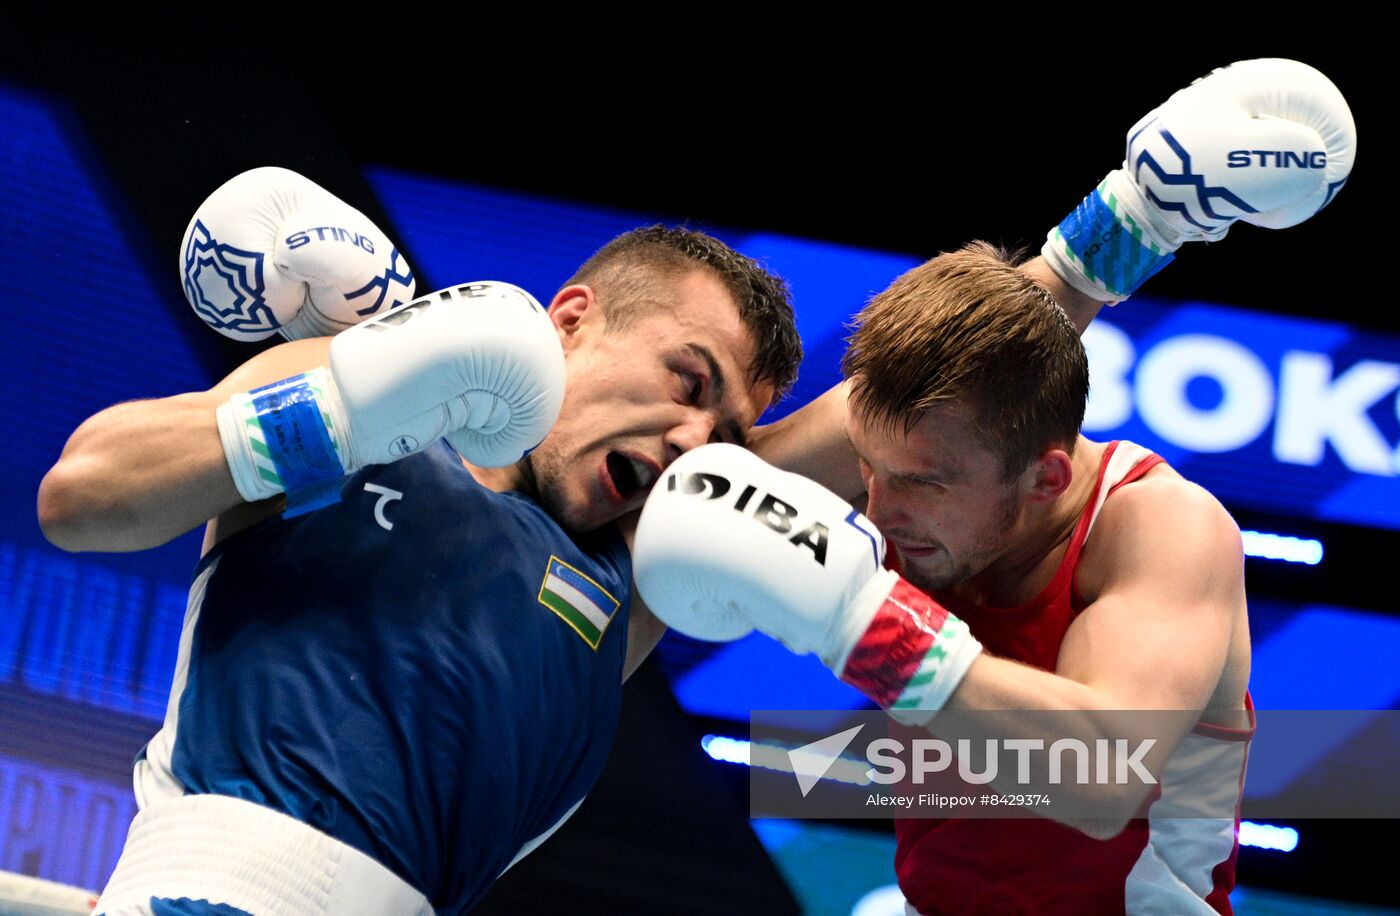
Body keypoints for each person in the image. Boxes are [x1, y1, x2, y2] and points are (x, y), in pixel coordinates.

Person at [632, 58, 1354, 915]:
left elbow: (1101, 781)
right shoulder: (909, 451)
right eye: (871, 466)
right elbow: (705, 487)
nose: (879, 507)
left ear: (1046, 477)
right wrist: (1130, 222)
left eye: (922, 484)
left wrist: (855, 619)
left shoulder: (1162, 529)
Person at [38, 184, 803, 913]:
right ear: (570, 319)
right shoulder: (358, 402)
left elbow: (881, 413)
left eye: (726, 440)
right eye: (688, 382)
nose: (695, 440)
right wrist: (340, 412)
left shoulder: (633, 574)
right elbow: (80, 497)